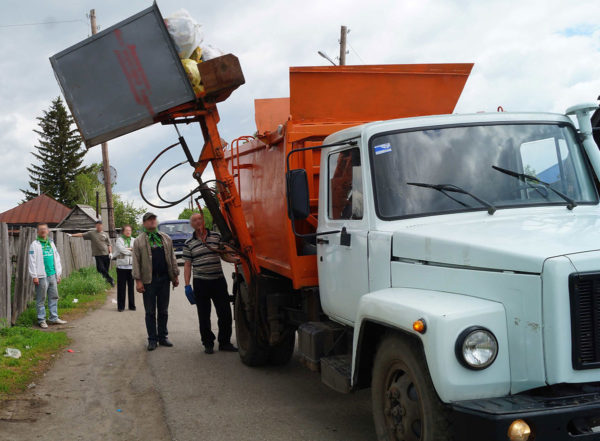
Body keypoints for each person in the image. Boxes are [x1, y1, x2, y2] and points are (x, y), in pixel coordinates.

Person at [183, 212, 237, 354]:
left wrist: (236, 260)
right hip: (201, 283)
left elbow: (224, 255)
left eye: (200, 219)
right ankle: (208, 343)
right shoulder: (188, 243)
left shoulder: (216, 237)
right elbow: (188, 265)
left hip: (218, 281)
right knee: (204, 315)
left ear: (204, 221)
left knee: (225, 313)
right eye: (194, 220)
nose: (198, 222)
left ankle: (224, 342)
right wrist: (187, 284)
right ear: (191, 225)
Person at [132, 212, 179, 351]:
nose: (152, 221)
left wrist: (175, 275)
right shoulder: (139, 241)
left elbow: (172, 257)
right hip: (148, 281)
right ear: (144, 223)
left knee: (163, 310)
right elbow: (136, 262)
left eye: (154, 219)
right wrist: (138, 281)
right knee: (150, 312)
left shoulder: (165, 238)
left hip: (164, 279)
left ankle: (163, 337)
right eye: (149, 220)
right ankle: (152, 339)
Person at [28, 223, 67, 328]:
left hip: (52, 274)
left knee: (54, 297)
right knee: (41, 298)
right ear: (38, 232)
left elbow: (57, 258)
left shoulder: (51, 243)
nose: (43, 231)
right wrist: (34, 276)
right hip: (41, 276)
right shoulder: (34, 244)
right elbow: (31, 261)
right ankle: (42, 320)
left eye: (45, 229)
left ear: (48, 231)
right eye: (41, 229)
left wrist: (58, 274)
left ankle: (54, 318)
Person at [70, 221, 114, 286]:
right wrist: (71, 235)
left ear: (102, 226)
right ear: (96, 226)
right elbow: (82, 234)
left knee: (105, 270)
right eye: (98, 225)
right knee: (100, 268)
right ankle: (110, 279)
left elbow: (109, 244)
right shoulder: (92, 233)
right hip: (98, 255)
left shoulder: (105, 234)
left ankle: (105, 281)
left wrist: (110, 253)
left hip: (106, 254)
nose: (99, 226)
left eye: (100, 225)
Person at [115, 225, 136, 312]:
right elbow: (121, 250)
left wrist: (130, 249)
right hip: (121, 267)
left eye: (130, 230)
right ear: (123, 231)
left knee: (131, 287)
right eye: (127, 230)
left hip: (131, 267)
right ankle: (121, 307)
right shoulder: (119, 240)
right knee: (121, 288)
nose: (128, 232)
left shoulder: (134, 240)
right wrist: (131, 251)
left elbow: (136, 249)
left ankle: (131, 306)